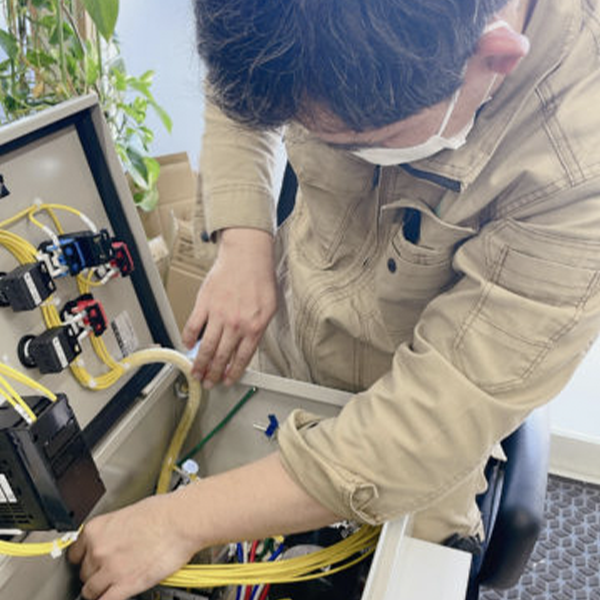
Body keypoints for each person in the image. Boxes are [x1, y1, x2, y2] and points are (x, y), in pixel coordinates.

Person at [69, 0, 600, 599]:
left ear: (493, 58)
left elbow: (428, 426)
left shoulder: (578, 166)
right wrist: (244, 242)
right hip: (286, 348)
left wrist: (178, 521)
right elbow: (243, 90)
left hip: (412, 439)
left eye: (363, 141)